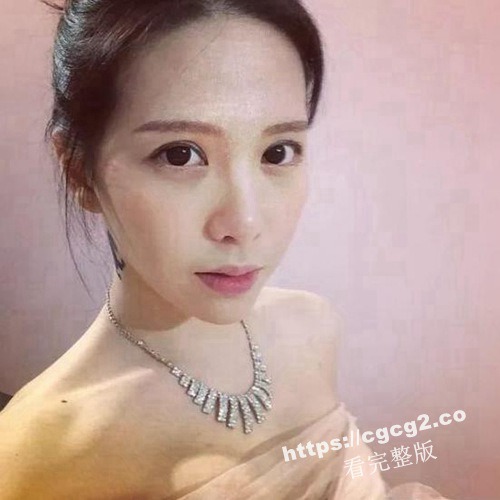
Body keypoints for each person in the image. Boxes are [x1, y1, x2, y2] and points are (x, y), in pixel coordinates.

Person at [0, 1, 452, 498]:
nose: (246, 224)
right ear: (79, 171)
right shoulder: (43, 451)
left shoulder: (312, 327)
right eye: (180, 155)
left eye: (278, 151)